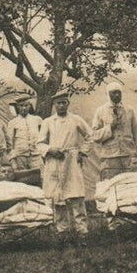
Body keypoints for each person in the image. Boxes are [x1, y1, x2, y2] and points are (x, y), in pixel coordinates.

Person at [39, 92, 91, 235]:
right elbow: (40, 143)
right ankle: (62, 230)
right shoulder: (48, 122)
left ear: (68, 104)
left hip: (71, 160)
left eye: (63, 102)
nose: (61, 106)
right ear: (54, 105)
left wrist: (82, 152)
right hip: (55, 161)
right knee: (58, 196)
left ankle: (82, 230)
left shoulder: (76, 119)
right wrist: (50, 150)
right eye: (58, 103)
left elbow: (89, 136)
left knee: (76, 194)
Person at [91, 81, 137, 182]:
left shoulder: (129, 110)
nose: (117, 95)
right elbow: (95, 136)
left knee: (132, 183)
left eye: (119, 93)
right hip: (110, 157)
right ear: (107, 94)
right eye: (113, 93)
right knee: (112, 184)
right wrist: (110, 127)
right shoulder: (100, 111)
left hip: (129, 155)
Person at [6, 95, 43, 187]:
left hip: (36, 155)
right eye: (21, 106)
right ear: (17, 107)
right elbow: (9, 143)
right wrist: (13, 159)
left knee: (40, 178)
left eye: (26, 105)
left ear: (30, 106)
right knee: (22, 181)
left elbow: (43, 137)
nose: (24, 108)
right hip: (20, 156)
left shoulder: (37, 120)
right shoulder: (13, 123)